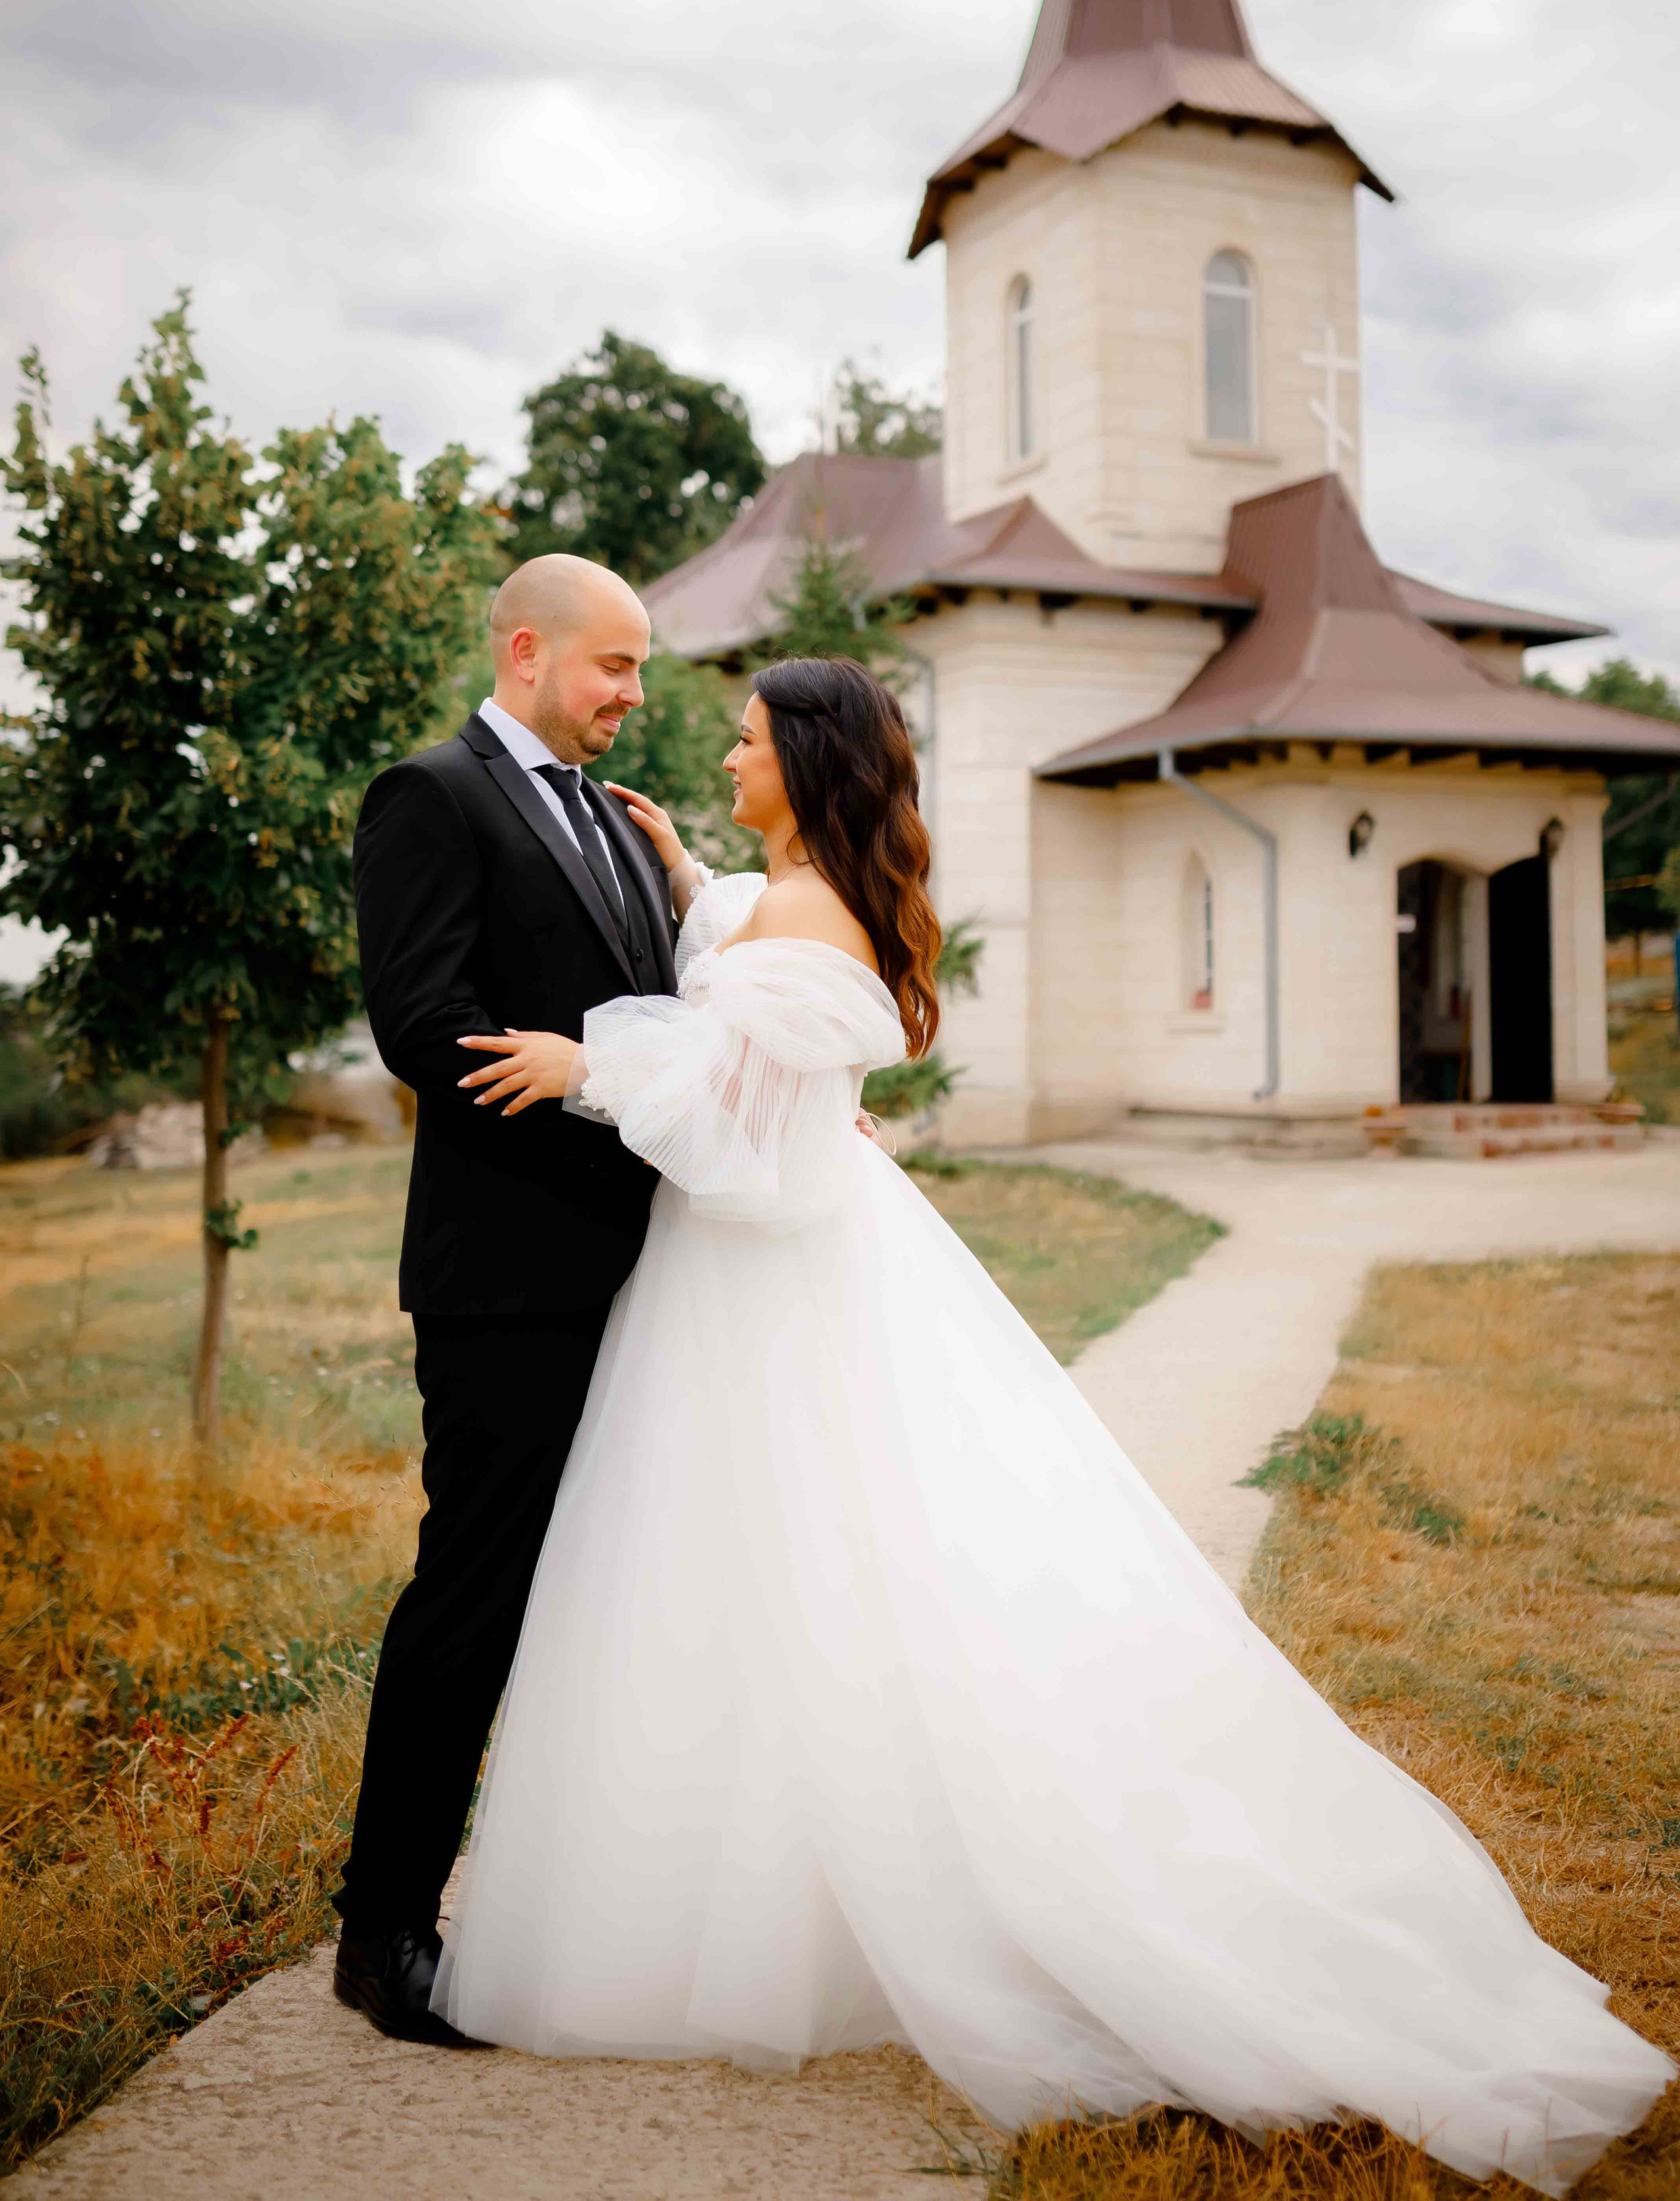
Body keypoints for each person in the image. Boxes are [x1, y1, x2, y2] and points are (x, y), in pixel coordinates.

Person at [429, 654, 1670, 2196]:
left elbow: (742, 1128)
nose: (724, 759)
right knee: (773, 1586)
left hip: (764, 1279)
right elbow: (756, 986)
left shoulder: (809, 921)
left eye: (744, 743)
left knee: (796, 1574)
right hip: (779, 1266)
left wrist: (587, 1069)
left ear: (803, 762)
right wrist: (687, 875)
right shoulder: (795, 901)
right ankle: (782, 1908)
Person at [332, 553, 681, 2044]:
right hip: (510, 1284)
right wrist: (617, 1118)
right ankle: (384, 1931)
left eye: (641, 669)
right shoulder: (430, 796)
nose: (633, 695)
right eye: (615, 666)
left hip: (658, 1280)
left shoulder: (617, 821)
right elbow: (428, 1027)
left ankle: (585, 1902)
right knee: (472, 1596)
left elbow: (663, 1018)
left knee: (617, 1588)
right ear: (528, 651)